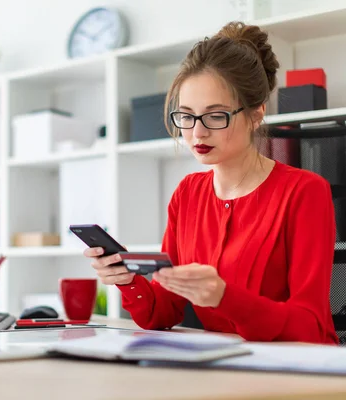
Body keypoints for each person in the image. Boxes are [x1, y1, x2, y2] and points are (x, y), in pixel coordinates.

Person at [84, 21, 338, 344]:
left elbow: (311, 328)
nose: (197, 133)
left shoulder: (304, 193)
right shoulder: (187, 194)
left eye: (216, 116)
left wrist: (224, 297)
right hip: (222, 370)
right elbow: (164, 311)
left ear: (256, 114)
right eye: (186, 116)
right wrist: (127, 279)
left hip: (297, 376)